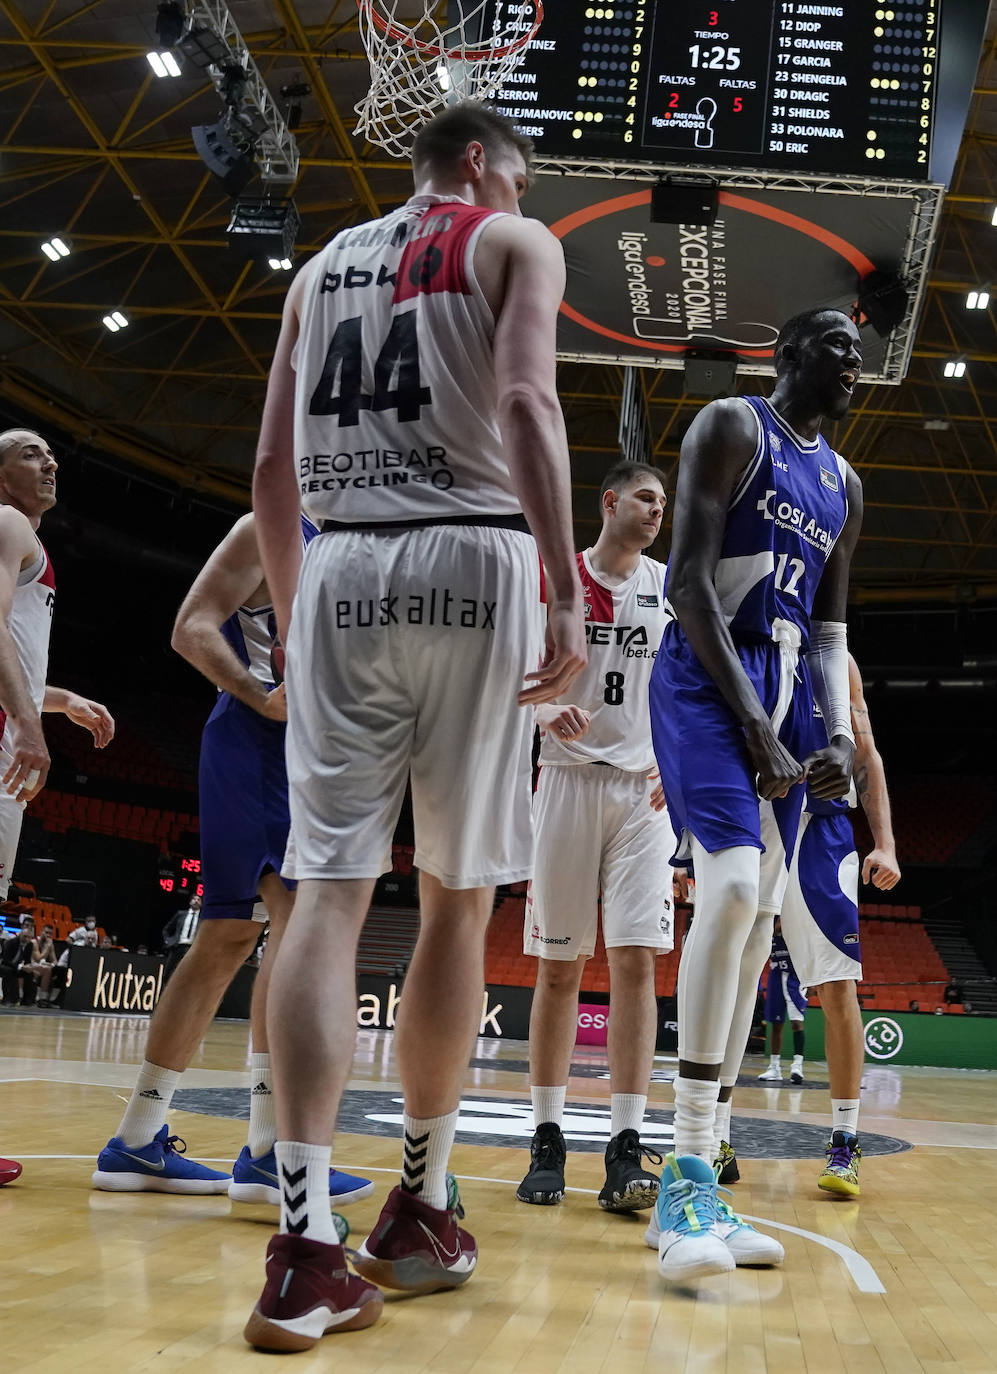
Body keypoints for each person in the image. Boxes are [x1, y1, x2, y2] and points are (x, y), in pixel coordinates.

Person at [244, 100, 585, 1353]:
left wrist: (294, 614)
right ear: (487, 167)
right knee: (454, 898)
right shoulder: (513, 241)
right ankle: (420, 1206)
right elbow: (528, 408)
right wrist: (564, 585)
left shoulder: (318, 268)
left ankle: (301, 1246)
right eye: (520, 176)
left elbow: (271, 476)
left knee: (325, 893)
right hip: (476, 560)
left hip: (338, 571)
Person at [645, 308, 864, 1281]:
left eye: (859, 353)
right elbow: (688, 584)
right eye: (831, 347)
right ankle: (679, 1179)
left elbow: (826, 634)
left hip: (784, 709)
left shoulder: (844, 484)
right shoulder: (732, 426)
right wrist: (756, 725)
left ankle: (707, 1170)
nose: (851, 365)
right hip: (703, 685)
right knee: (729, 890)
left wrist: (839, 738)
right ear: (783, 354)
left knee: (756, 924)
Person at [93, 513, 372, 1213]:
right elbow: (190, 625)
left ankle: (142, 1137)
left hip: (316, 752)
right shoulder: (272, 525)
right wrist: (258, 696)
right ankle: (269, 1151)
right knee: (290, 922)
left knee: (229, 939)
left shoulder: (365, 542)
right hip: (255, 742)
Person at [517, 460, 673, 1213]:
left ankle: (624, 1142)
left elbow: (688, 686)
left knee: (636, 961)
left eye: (664, 503)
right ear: (608, 501)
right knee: (557, 969)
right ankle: (547, 1134)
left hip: (643, 791)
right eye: (645, 497)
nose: (657, 510)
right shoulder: (555, 576)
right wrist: (544, 712)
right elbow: (506, 670)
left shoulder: (669, 587)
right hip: (567, 781)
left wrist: (682, 762)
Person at [0, 428, 114, 897]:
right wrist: (28, 722)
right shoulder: (10, 522)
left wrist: (59, 700)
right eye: (31, 456)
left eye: (50, 455)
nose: (51, 464)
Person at [757, 918, 807, 1083]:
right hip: (777, 975)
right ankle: (774, 1067)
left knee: (796, 1022)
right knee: (776, 1024)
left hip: (795, 977)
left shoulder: (796, 922)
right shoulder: (770, 923)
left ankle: (797, 1066)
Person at [161, 893, 201, 980]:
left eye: (199, 900)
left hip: (191, 949)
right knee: (167, 972)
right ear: (190, 902)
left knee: (187, 975)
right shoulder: (181, 914)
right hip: (177, 946)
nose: (196, 901)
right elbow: (167, 929)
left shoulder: (202, 919)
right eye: (194, 899)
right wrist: (168, 940)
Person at [1, 914, 37, 1005]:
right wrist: (21, 967)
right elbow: (6, 960)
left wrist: (30, 967)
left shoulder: (30, 945)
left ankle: (27, 1000)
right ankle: (6, 998)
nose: (27, 939)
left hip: (17, 966)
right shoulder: (11, 942)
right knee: (8, 970)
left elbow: (27, 960)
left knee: (31, 973)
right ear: (21, 934)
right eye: (25, 937)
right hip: (6, 965)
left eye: (29, 938)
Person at [24, 918, 57, 1007]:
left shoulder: (50, 944)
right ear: (41, 931)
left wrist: (51, 964)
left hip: (41, 967)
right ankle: (41, 998)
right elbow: (38, 958)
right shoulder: (34, 942)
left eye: (50, 933)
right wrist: (47, 948)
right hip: (30, 964)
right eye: (46, 932)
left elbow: (55, 960)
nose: (48, 935)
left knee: (49, 969)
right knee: (47, 970)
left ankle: (44, 999)